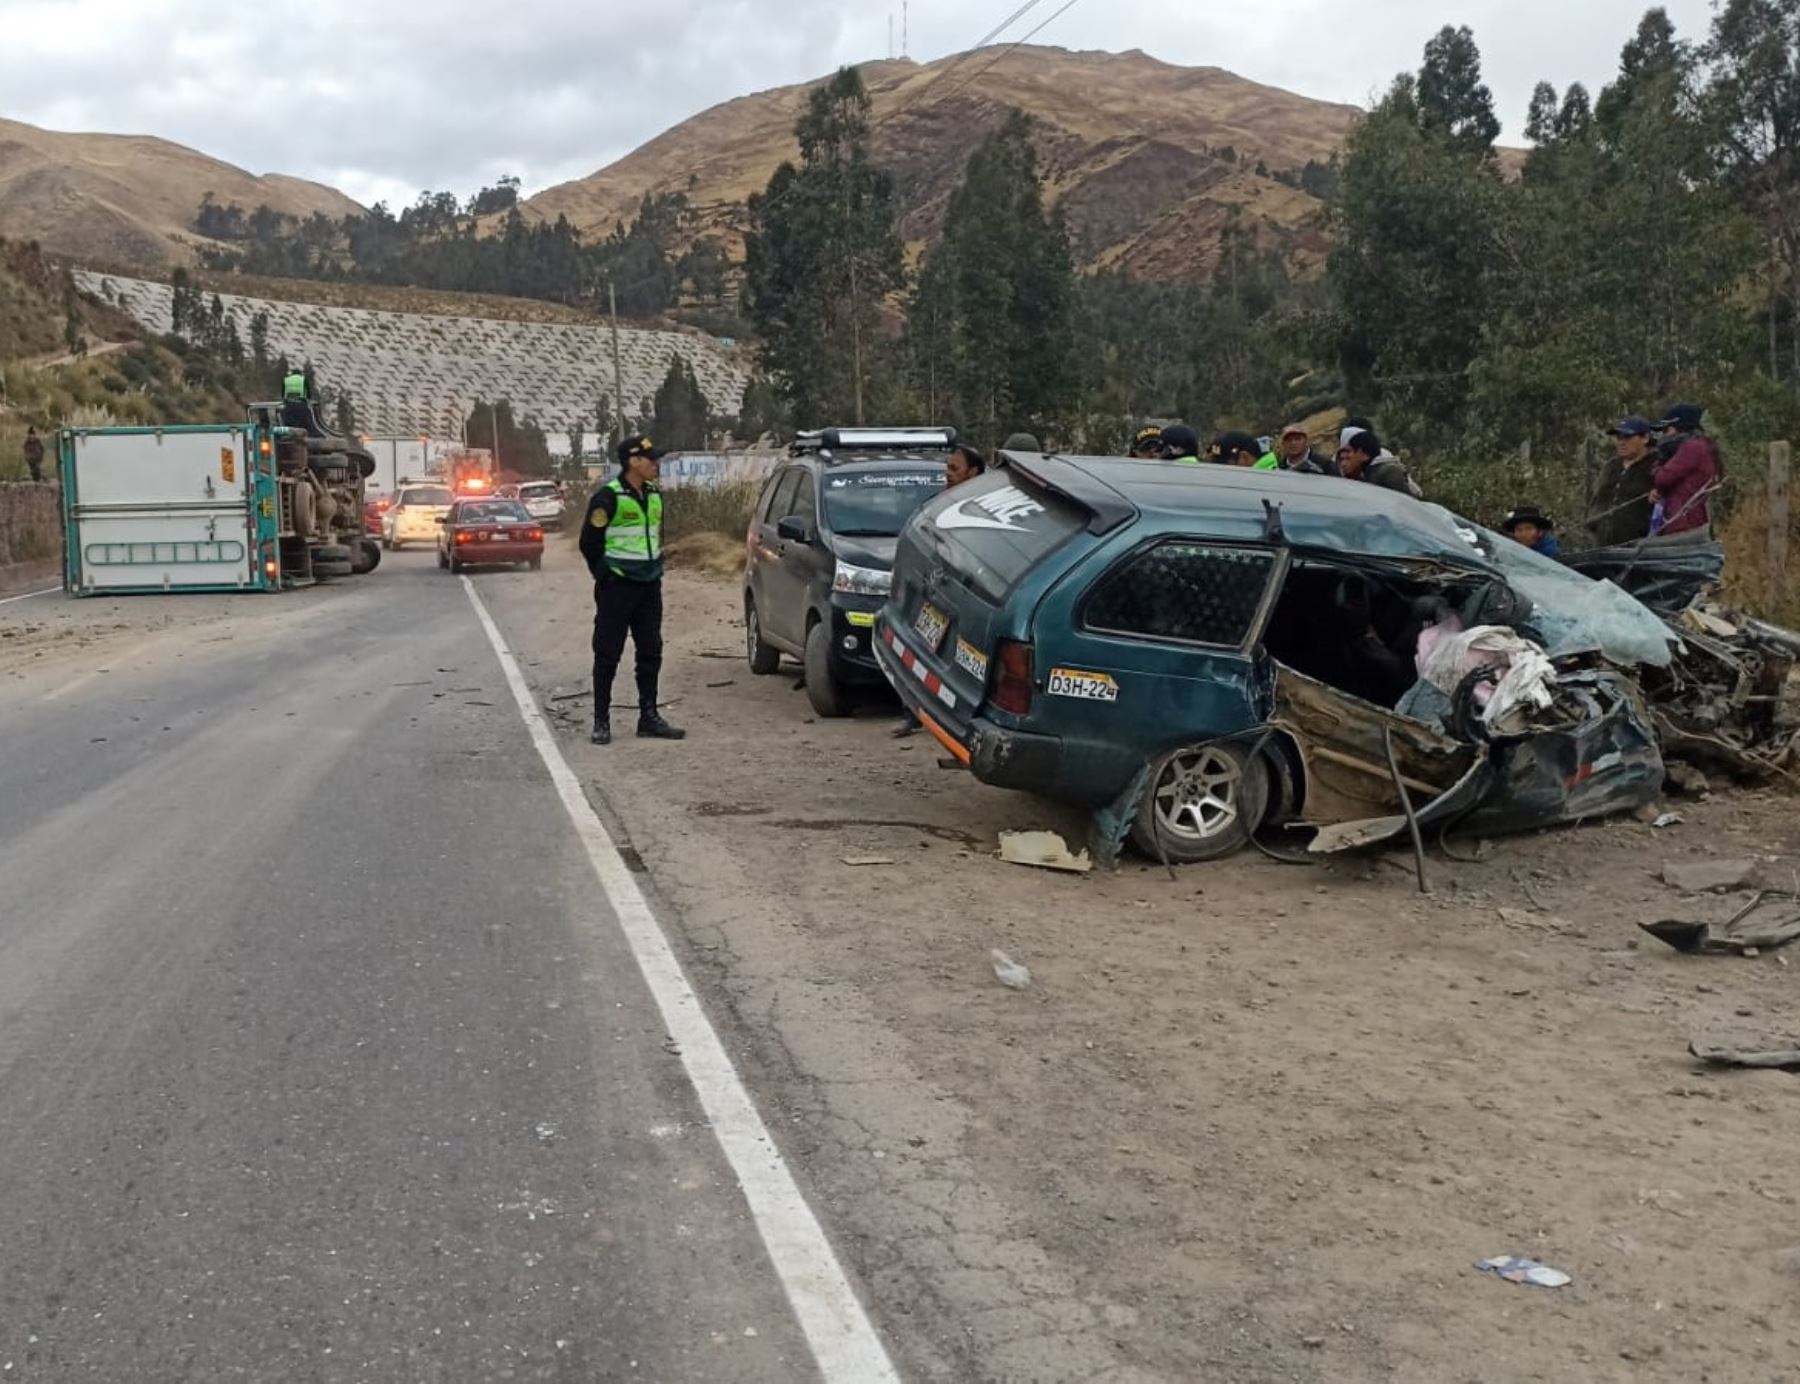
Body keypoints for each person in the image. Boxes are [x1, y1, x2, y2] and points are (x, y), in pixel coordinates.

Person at [579, 435, 685, 745]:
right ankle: (602, 721)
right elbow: (589, 543)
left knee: (651, 650)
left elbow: (654, 535)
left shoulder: (653, 494)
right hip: (618, 586)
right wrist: (605, 575)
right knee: (608, 652)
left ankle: (648, 717)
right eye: (651, 459)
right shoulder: (607, 497)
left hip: (649, 584)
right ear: (633, 461)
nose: (656, 464)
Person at [894, 440, 987, 739]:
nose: (947, 474)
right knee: (916, 652)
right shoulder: (938, 505)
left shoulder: (983, 510)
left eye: (954, 469)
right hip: (932, 592)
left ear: (973, 473)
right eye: (946, 468)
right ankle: (912, 713)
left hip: (965, 599)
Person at [1649, 403, 1721, 541]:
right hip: (1684, 520)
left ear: (1679, 428)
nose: (1663, 436)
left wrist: (1658, 465)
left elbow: (1663, 478)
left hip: (1686, 524)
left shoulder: (1691, 448)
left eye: (1666, 430)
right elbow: (1677, 483)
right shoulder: (1700, 446)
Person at [1587, 416, 1657, 547]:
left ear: (1645, 438)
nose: (1621, 442)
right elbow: (1597, 498)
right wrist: (1593, 521)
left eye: (1627, 437)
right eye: (1619, 437)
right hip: (1602, 544)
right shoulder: (1611, 467)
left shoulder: (1656, 465)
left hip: (1640, 547)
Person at [1340, 430, 1423, 498]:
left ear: (1363, 454)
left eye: (1350, 452)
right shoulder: (1367, 474)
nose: (1346, 456)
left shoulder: (1389, 472)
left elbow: (1404, 503)